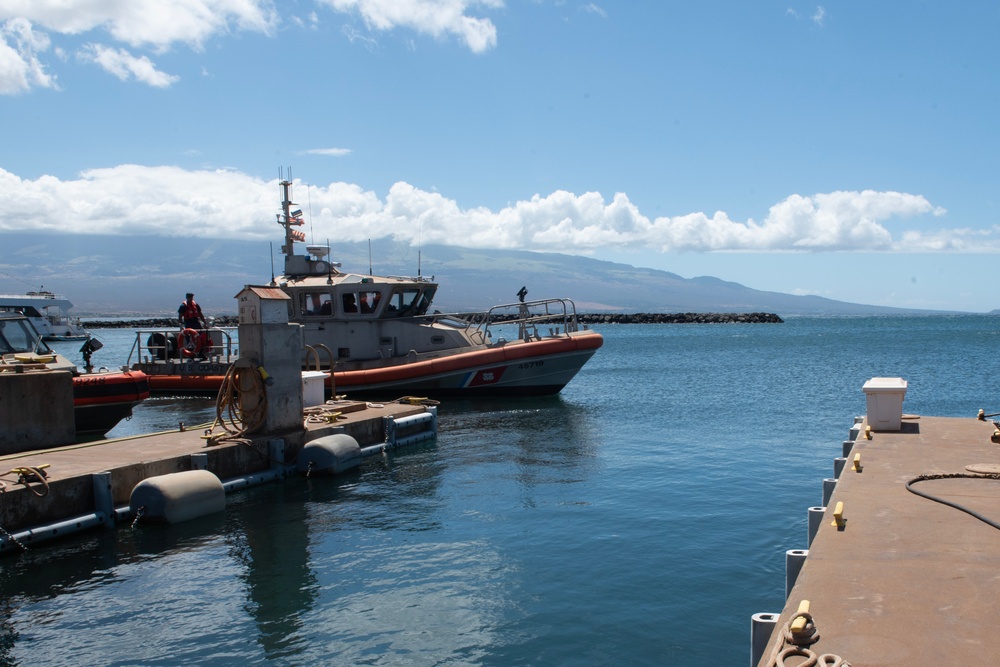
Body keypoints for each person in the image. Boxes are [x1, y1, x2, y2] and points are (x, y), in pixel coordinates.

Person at [178, 293, 209, 359]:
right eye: (189, 297)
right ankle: (191, 354)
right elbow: (180, 316)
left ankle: (201, 353)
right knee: (189, 340)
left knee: (201, 338)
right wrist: (181, 325)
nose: (190, 298)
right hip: (188, 324)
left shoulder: (196, 305)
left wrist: (204, 322)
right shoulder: (183, 306)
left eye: (191, 297)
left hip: (196, 323)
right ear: (186, 297)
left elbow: (200, 314)